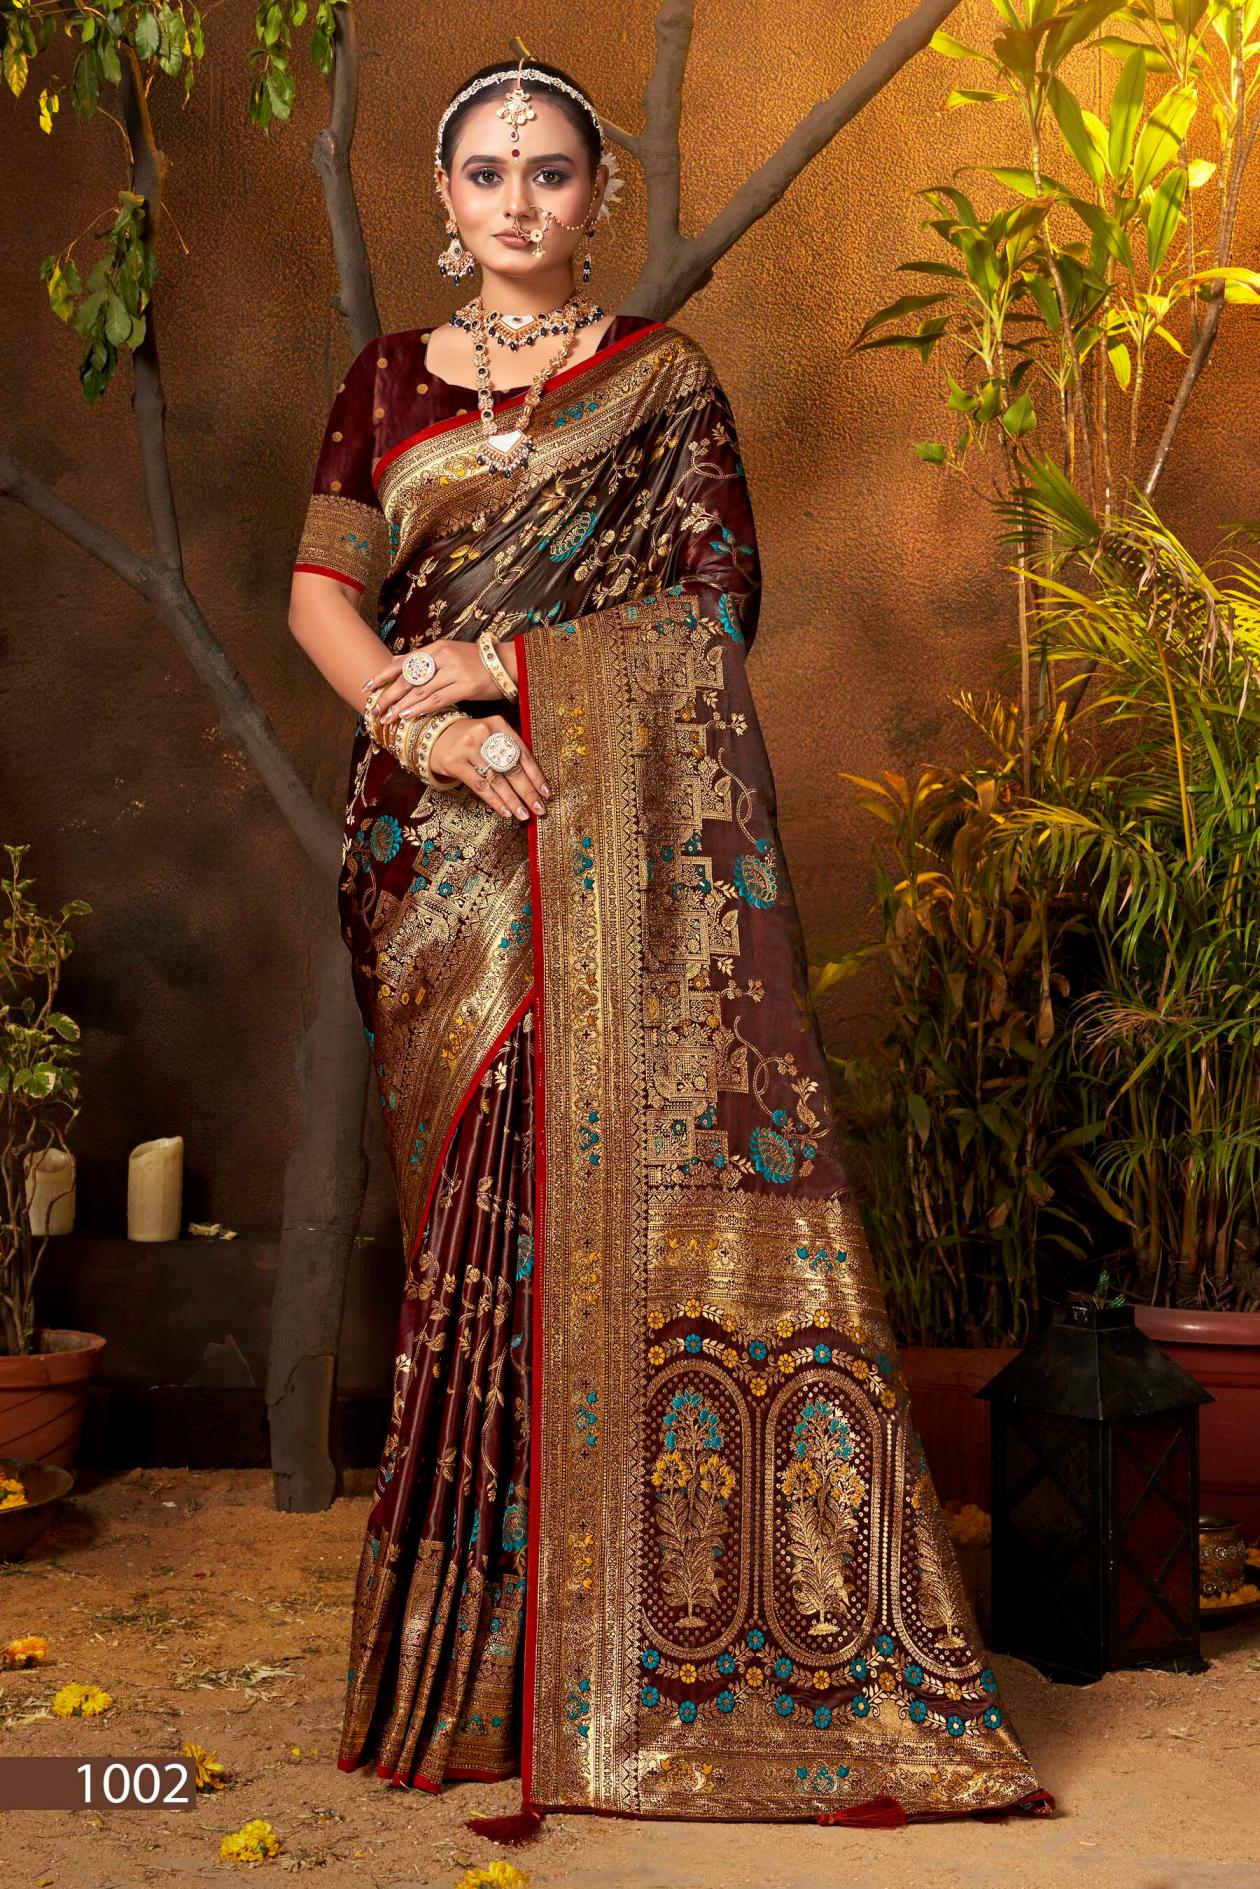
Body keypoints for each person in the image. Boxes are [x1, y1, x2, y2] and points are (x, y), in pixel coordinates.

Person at [287, 55, 1052, 1835]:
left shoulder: (661, 380)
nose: (521, 201)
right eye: (489, 172)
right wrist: (432, 733)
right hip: (435, 854)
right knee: (471, 1229)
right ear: (445, 195)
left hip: (601, 830)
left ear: (596, 195)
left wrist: (507, 668)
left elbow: (715, 603)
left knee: (596, 1216)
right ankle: (474, 1673)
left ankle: (631, 1663)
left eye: (553, 171)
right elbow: (325, 596)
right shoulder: (383, 382)